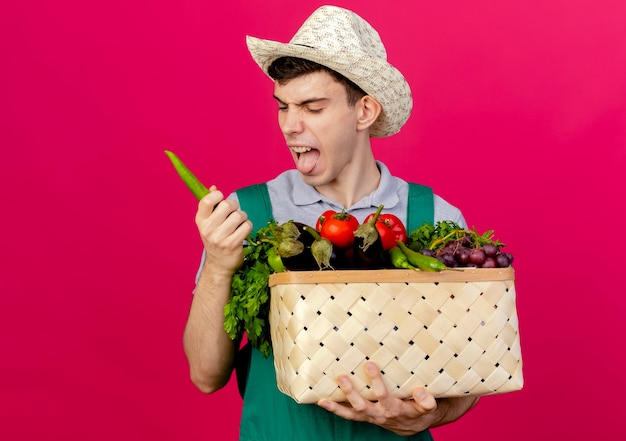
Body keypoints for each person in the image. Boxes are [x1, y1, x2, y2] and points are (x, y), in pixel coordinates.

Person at [183, 5, 479, 440]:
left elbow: (470, 370)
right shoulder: (244, 214)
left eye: (312, 108)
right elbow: (205, 376)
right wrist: (217, 264)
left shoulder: (436, 219)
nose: (289, 125)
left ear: (364, 112)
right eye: (283, 107)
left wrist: (430, 416)